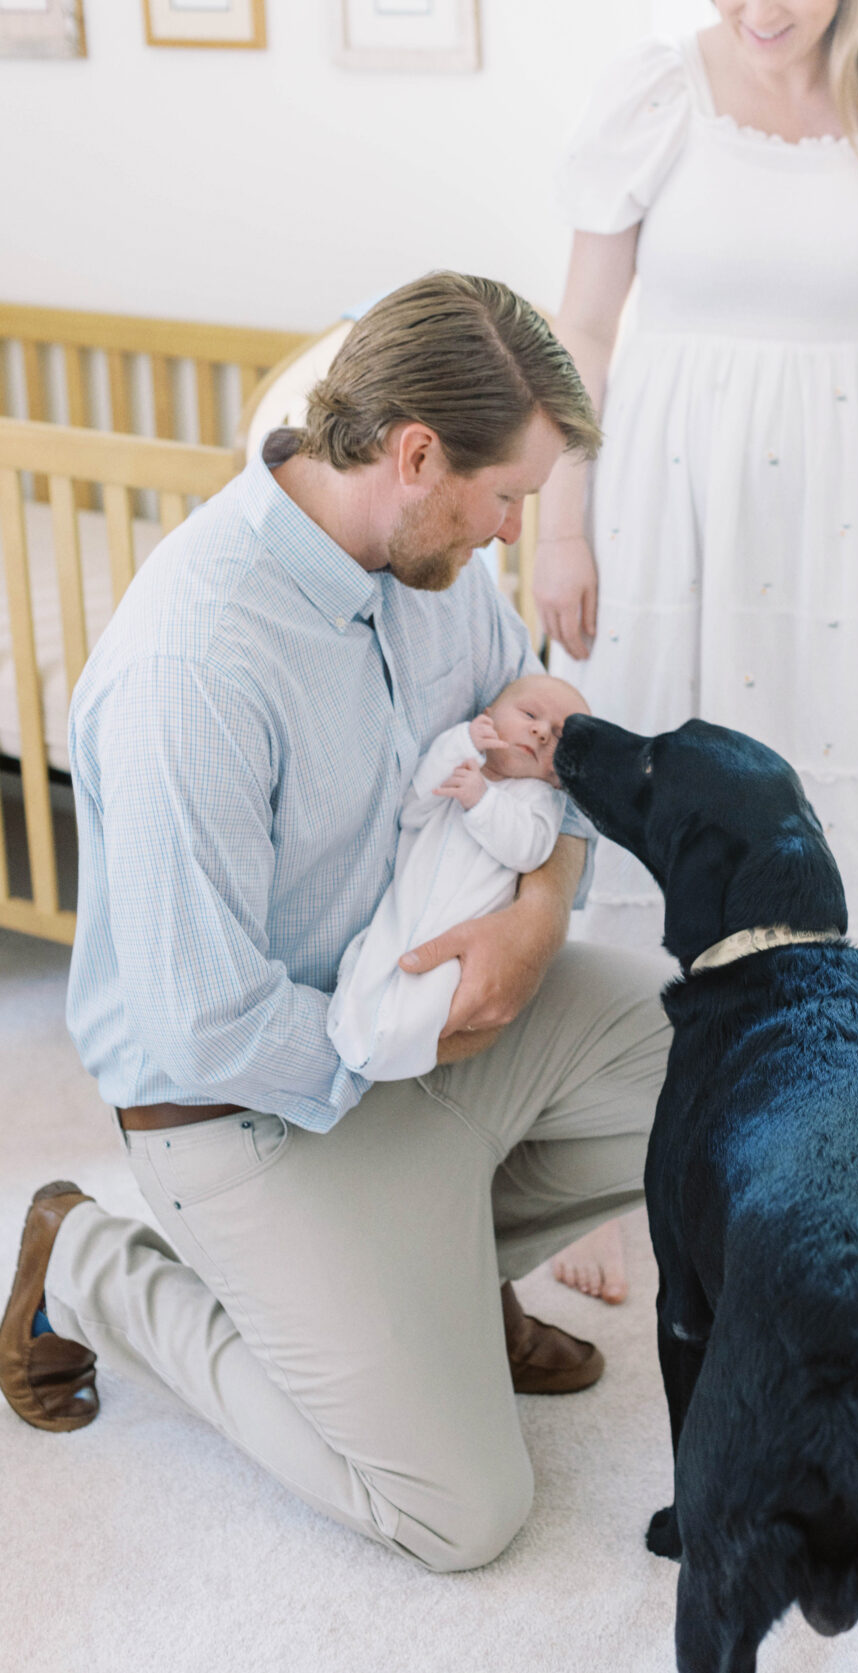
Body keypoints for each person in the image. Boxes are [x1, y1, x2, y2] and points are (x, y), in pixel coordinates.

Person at [0, 274, 672, 1573]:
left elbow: (544, 749)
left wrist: (532, 927)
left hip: (422, 1038)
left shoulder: (436, 568)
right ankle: (85, 1256)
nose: (511, 533)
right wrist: (423, 1034)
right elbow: (203, 1029)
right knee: (461, 1514)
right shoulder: (190, 667)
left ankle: (427, 1274)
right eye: (507, 501)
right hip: (242, 1105)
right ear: (417, 457)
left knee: (725, 1055)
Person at [539, 0, 858, 1305]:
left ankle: (809, 1156)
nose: (758, 10)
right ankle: (614, 1177)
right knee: (662, 828)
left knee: (827, 831)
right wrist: (559, 522)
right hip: (670, 509)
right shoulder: (654, 98)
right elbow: (580, 326)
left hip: (848, 532)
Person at [327, 672, 590, 1080]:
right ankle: (354, 1035)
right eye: (529, 714)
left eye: (557, 736)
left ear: (559, 773)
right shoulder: (463, 764)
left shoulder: (539, 799)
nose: (540, 732)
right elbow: (415, 809)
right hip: (406, 906)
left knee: (434, 992)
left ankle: (393, 1052)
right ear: (488, 717)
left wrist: (481, 801)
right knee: (372, 962)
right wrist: (460, 744)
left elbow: (528, 850)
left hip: (464, 925)